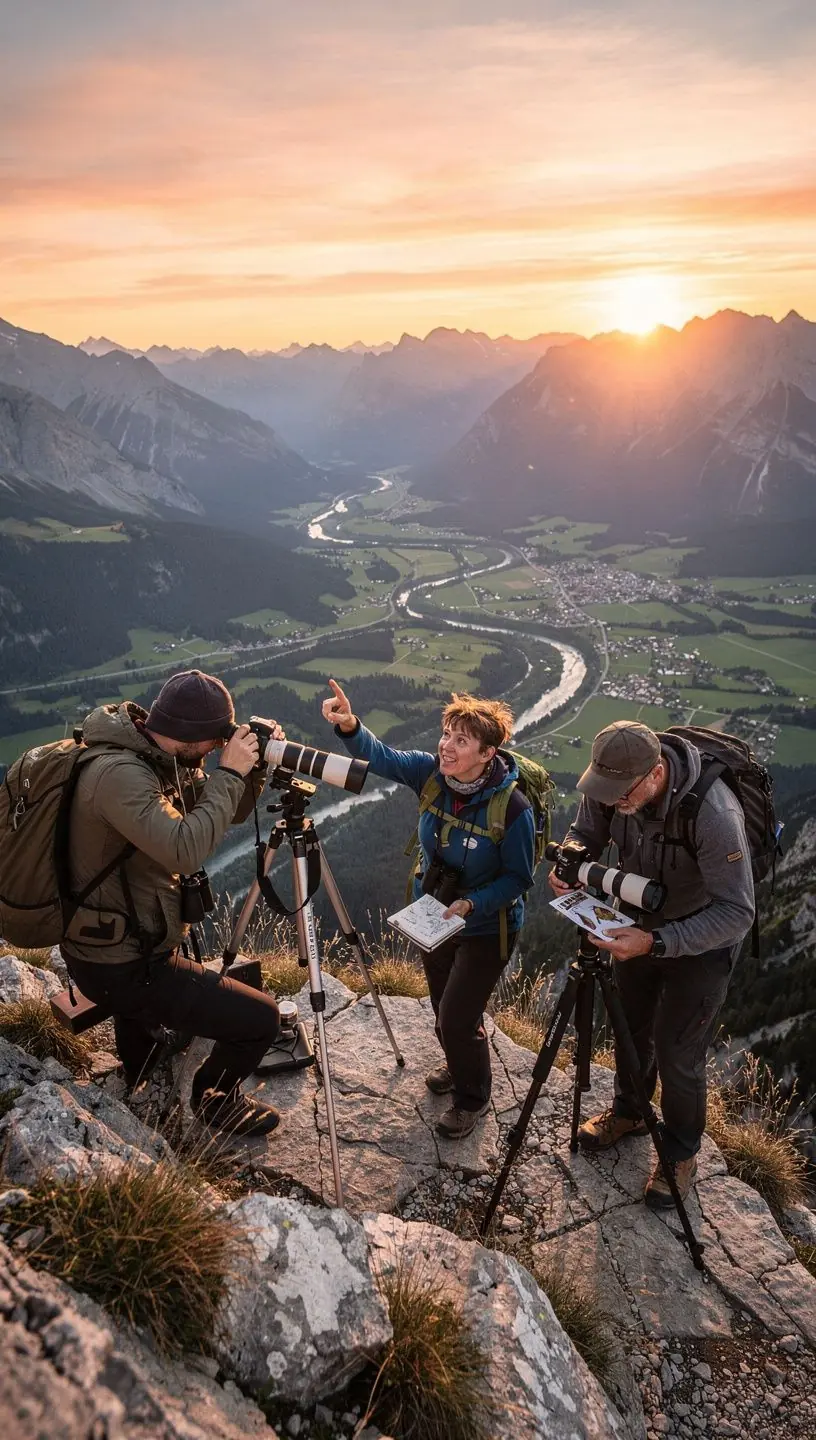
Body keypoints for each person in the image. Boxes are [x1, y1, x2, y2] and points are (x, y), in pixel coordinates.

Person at [61, 669, 284, 1137]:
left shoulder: (155, 755)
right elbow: (186, 849)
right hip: (119, 965)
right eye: (214, 740)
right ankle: (213, 1098)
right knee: (262, 1019)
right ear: (191, 734)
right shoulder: (121, 776)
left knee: (154, 1003)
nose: (216, 748)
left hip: (125, 940)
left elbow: (222, 811)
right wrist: (229, 771)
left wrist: (252, 769)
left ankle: (142, 1064)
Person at [549, 720, 754, 1207]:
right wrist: (572, 862)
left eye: (622, 794)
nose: (612, 800)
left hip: (702, 941)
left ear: (656, 774)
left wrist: (657, 942)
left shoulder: (714, 813)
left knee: (677, 1051)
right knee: (630, 1027)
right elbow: (585, 831)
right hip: (635, 922)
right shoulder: (612, 781)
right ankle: (631, 1113)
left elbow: (737, 911)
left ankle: (680, 1153)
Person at [322, 679, 535, 1140]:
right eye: (446, 734)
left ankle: (472, 1098)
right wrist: (350, 726)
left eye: (462, 740)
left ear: (487, 753)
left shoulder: (512, 809)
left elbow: (519, 879)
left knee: (457, 1017)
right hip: (435, 916)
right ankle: (459, 1063)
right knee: (443, 1008)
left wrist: (472, 903)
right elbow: (381, 757)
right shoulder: (431, 774)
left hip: (486, 927)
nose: (446, 746)